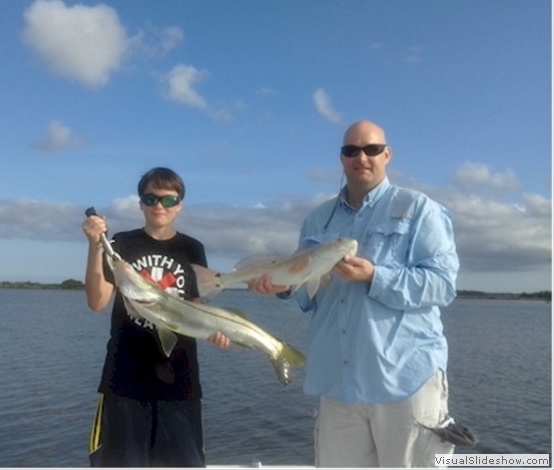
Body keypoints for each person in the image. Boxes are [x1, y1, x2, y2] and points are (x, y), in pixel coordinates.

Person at [249, 120, 460, 467]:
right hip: (338, 384)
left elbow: (442, 285)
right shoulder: (318, 219)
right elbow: (310, 297)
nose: (361, 157)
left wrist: (375, 276)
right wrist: (284, 288)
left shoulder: (420, 209)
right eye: (351, 150)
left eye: (371, 149)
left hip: (405, 381)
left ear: (387, 154)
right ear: (341, 158)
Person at [82, 167, 229, 467]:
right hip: (123, 381)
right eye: (150, 199)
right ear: (140, 204)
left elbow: (198, 309)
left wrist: (216, 331)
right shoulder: (121, 244)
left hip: (180, 384)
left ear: (180, 204)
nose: (159, 206)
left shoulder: (192, 248)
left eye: (168, 199)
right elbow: (97, 302)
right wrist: (95, 246)